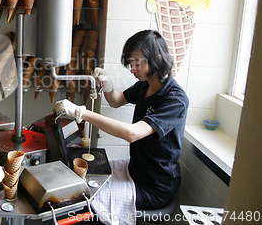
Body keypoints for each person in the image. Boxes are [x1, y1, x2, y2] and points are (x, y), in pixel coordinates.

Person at [55, 30, 188, 222]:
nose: (132, 69)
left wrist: (81, 112)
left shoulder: (175, 100)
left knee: (87, 200)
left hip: (154, 187)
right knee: (85, 180)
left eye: (136, 63)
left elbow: (132, 134)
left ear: (157, 58)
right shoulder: (146, 84)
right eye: (130, 63)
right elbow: (117, 100)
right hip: (134, 170)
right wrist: (107, 85)